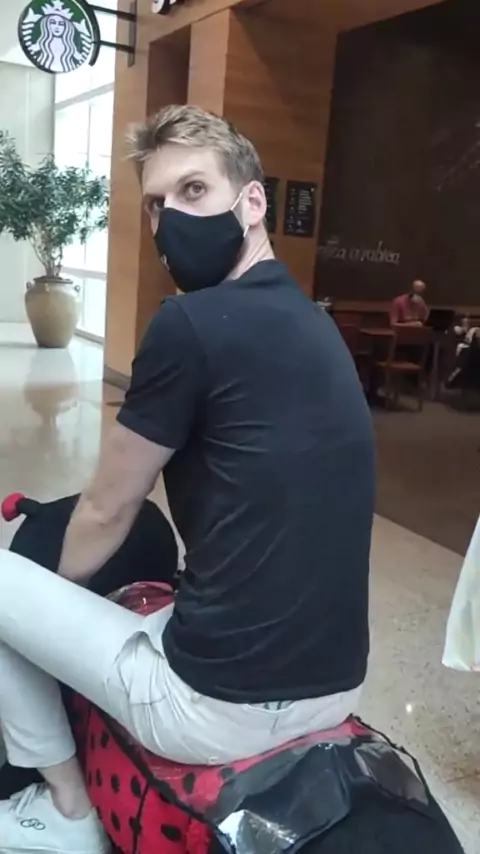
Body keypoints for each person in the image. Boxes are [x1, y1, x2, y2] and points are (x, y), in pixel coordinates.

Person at [0, 105, 375, 854]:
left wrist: (44, 620)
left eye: (194, 190)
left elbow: (107, 510)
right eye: (156, 204)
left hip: (219, 708)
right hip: (338, 684)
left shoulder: (188, 325)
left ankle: (67, 809)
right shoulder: (316, 324)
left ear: (253, 200)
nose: (171, 219)